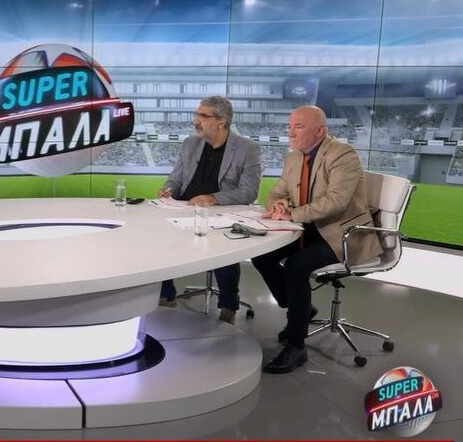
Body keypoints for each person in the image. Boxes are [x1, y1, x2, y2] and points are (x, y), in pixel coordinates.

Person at [251, 105, 382, 374]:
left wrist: (292, 214)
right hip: (308, 229)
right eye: (289, 127)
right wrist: (278, 205)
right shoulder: (293, 158)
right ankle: (300, 307)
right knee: (262, 256)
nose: (290, 133)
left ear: (320, 130)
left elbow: (336, 201)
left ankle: (296, 346)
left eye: (298, 127)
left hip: (342, 234)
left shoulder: (343, 154)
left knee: (296, 266)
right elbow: (277, 192)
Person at [158, 96, 262, 324]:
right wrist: (169, 190)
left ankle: (228, 306)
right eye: (197, 114)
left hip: (220, 214)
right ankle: (166, 296)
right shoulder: (190, 143)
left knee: (224, 250)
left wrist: (213, 198)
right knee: (159, 240)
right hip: (184, 209)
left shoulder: (247, 148)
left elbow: (249, 191)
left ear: (221, 122)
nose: (196, 121)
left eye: (203, 116)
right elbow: (175, 179)